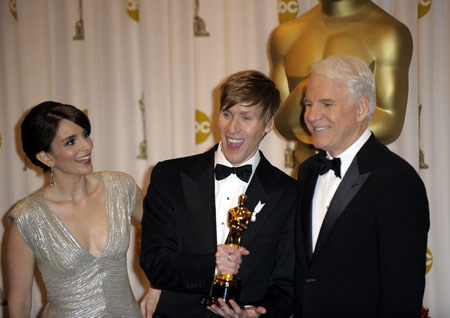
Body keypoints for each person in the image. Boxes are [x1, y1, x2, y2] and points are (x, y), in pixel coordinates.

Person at [140, 70, 297, 318]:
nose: (233, 128)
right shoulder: (169, 176)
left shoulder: (289, 193)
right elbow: (154, 262)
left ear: (268, 124)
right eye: (227, 114)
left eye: (246, 117)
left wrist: (256, 315)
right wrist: (212, 264)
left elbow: (287, 285)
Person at [294, 55, 429, 317]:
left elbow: (402, 292)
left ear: (361, 108)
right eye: (308, 104)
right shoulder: (308, 171)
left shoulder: (396, 180)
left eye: (326, 103)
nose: (311, 115)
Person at [6, 101, 161, 317]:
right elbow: (20, 304)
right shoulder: (27, 219)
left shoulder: (120, 188)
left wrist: (159, 286)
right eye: (71, 142)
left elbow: (167, 235)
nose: (87, 145)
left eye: (85, 134)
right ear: (46, 157)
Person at [269, 0, 413, 164]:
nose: (314, 115)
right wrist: (313, 86)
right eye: (308, 103)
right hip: (303, 176)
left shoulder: (389, 33)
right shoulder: (285, 35)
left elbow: (389, 123)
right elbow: (281, 122)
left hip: (361, 175)